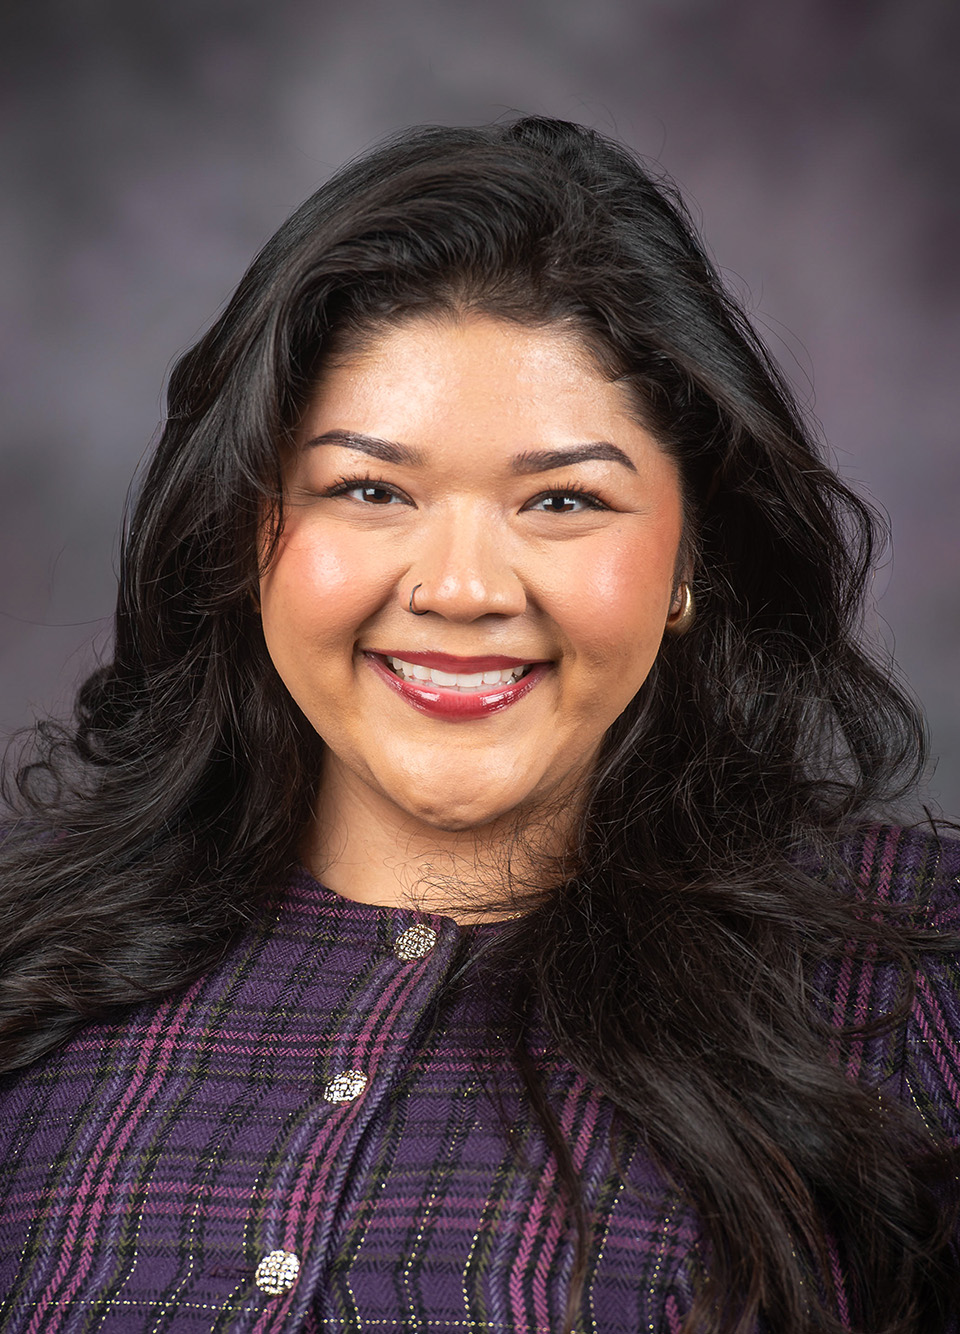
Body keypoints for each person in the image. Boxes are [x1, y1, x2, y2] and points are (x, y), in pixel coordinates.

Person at [0, 116, 957, 1334]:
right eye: (369, 489)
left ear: (688, 555)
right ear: (251, 533)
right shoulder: (28, 979)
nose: (461, 588)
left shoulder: (915, 980)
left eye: (562, 498)